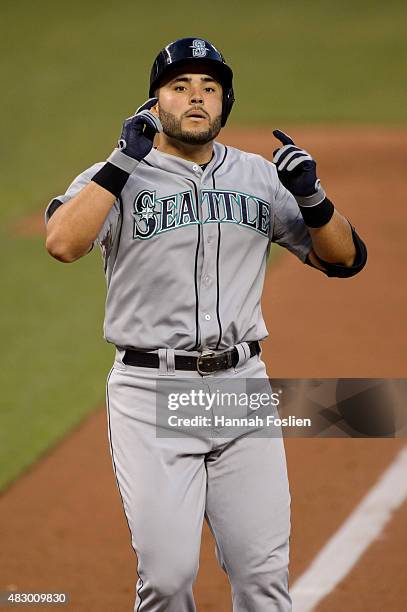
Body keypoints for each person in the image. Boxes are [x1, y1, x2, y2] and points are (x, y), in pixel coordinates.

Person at [45, 37, 367, 612]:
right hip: (151, 393)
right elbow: (63, 244)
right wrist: (121, 162)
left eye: (209, 89)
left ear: (225, 104)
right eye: (180, 87)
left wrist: (313, 198)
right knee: (167, 580)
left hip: (239, 390)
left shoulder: (258, 177)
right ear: (153, 103)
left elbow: (345, 259)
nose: (196, 98)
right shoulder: (113, 176)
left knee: (263, 579)